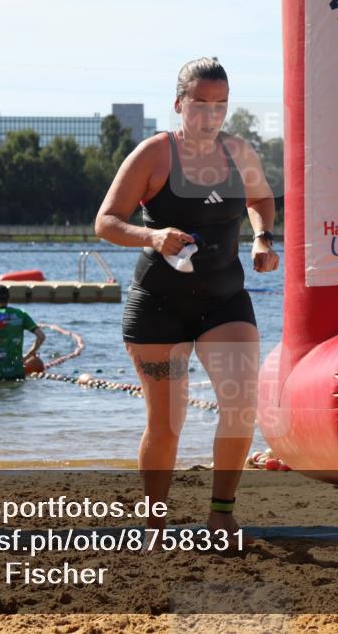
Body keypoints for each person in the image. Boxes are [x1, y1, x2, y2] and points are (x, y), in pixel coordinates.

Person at [94, 57, 279, 537]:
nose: (210, 115)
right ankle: (155, 522)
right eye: (200, 104)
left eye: (220, 105)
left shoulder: (240, 152)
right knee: (167, 423)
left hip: (223, 301)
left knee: (240, 407)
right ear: (179, 104)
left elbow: (261, 200)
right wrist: (153, 236)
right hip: (159, 303)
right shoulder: (155, 154)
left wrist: (262, 237)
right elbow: (106, 222)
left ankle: (221, 513)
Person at [0, 284, 45, 380]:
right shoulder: (21, 314)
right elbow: (41, 336)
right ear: (8, 298)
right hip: (17, 372)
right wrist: (28, 356)